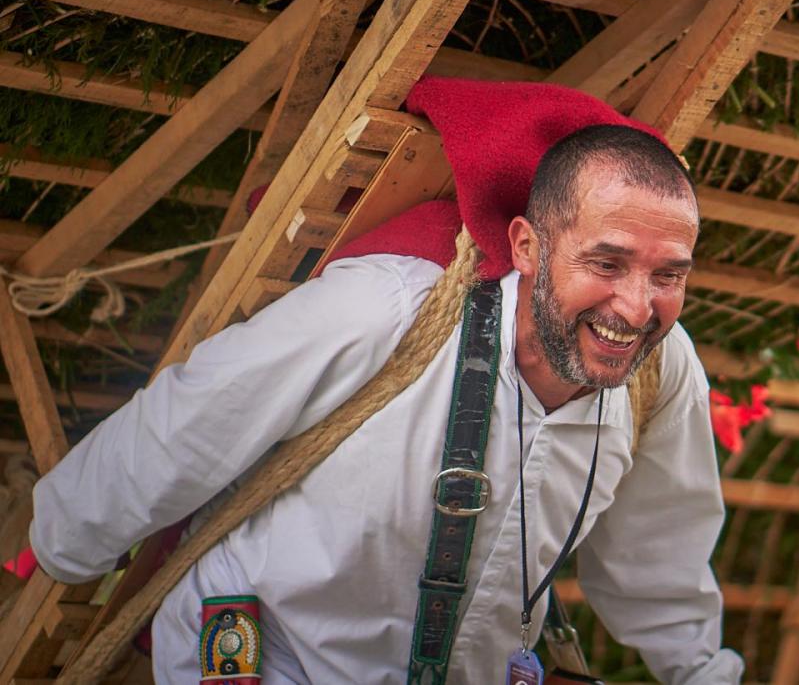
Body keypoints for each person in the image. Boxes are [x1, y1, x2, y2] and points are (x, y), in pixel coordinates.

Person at [31, 117, 743, 683]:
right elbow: (192, 422)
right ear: (528, 246)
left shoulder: (659, 370)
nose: (637, 307)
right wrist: (63, 543)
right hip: (266, 661)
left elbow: (661, 556)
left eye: (669, 276)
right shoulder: (389, 309)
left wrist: (702, 674)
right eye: (606, 262)